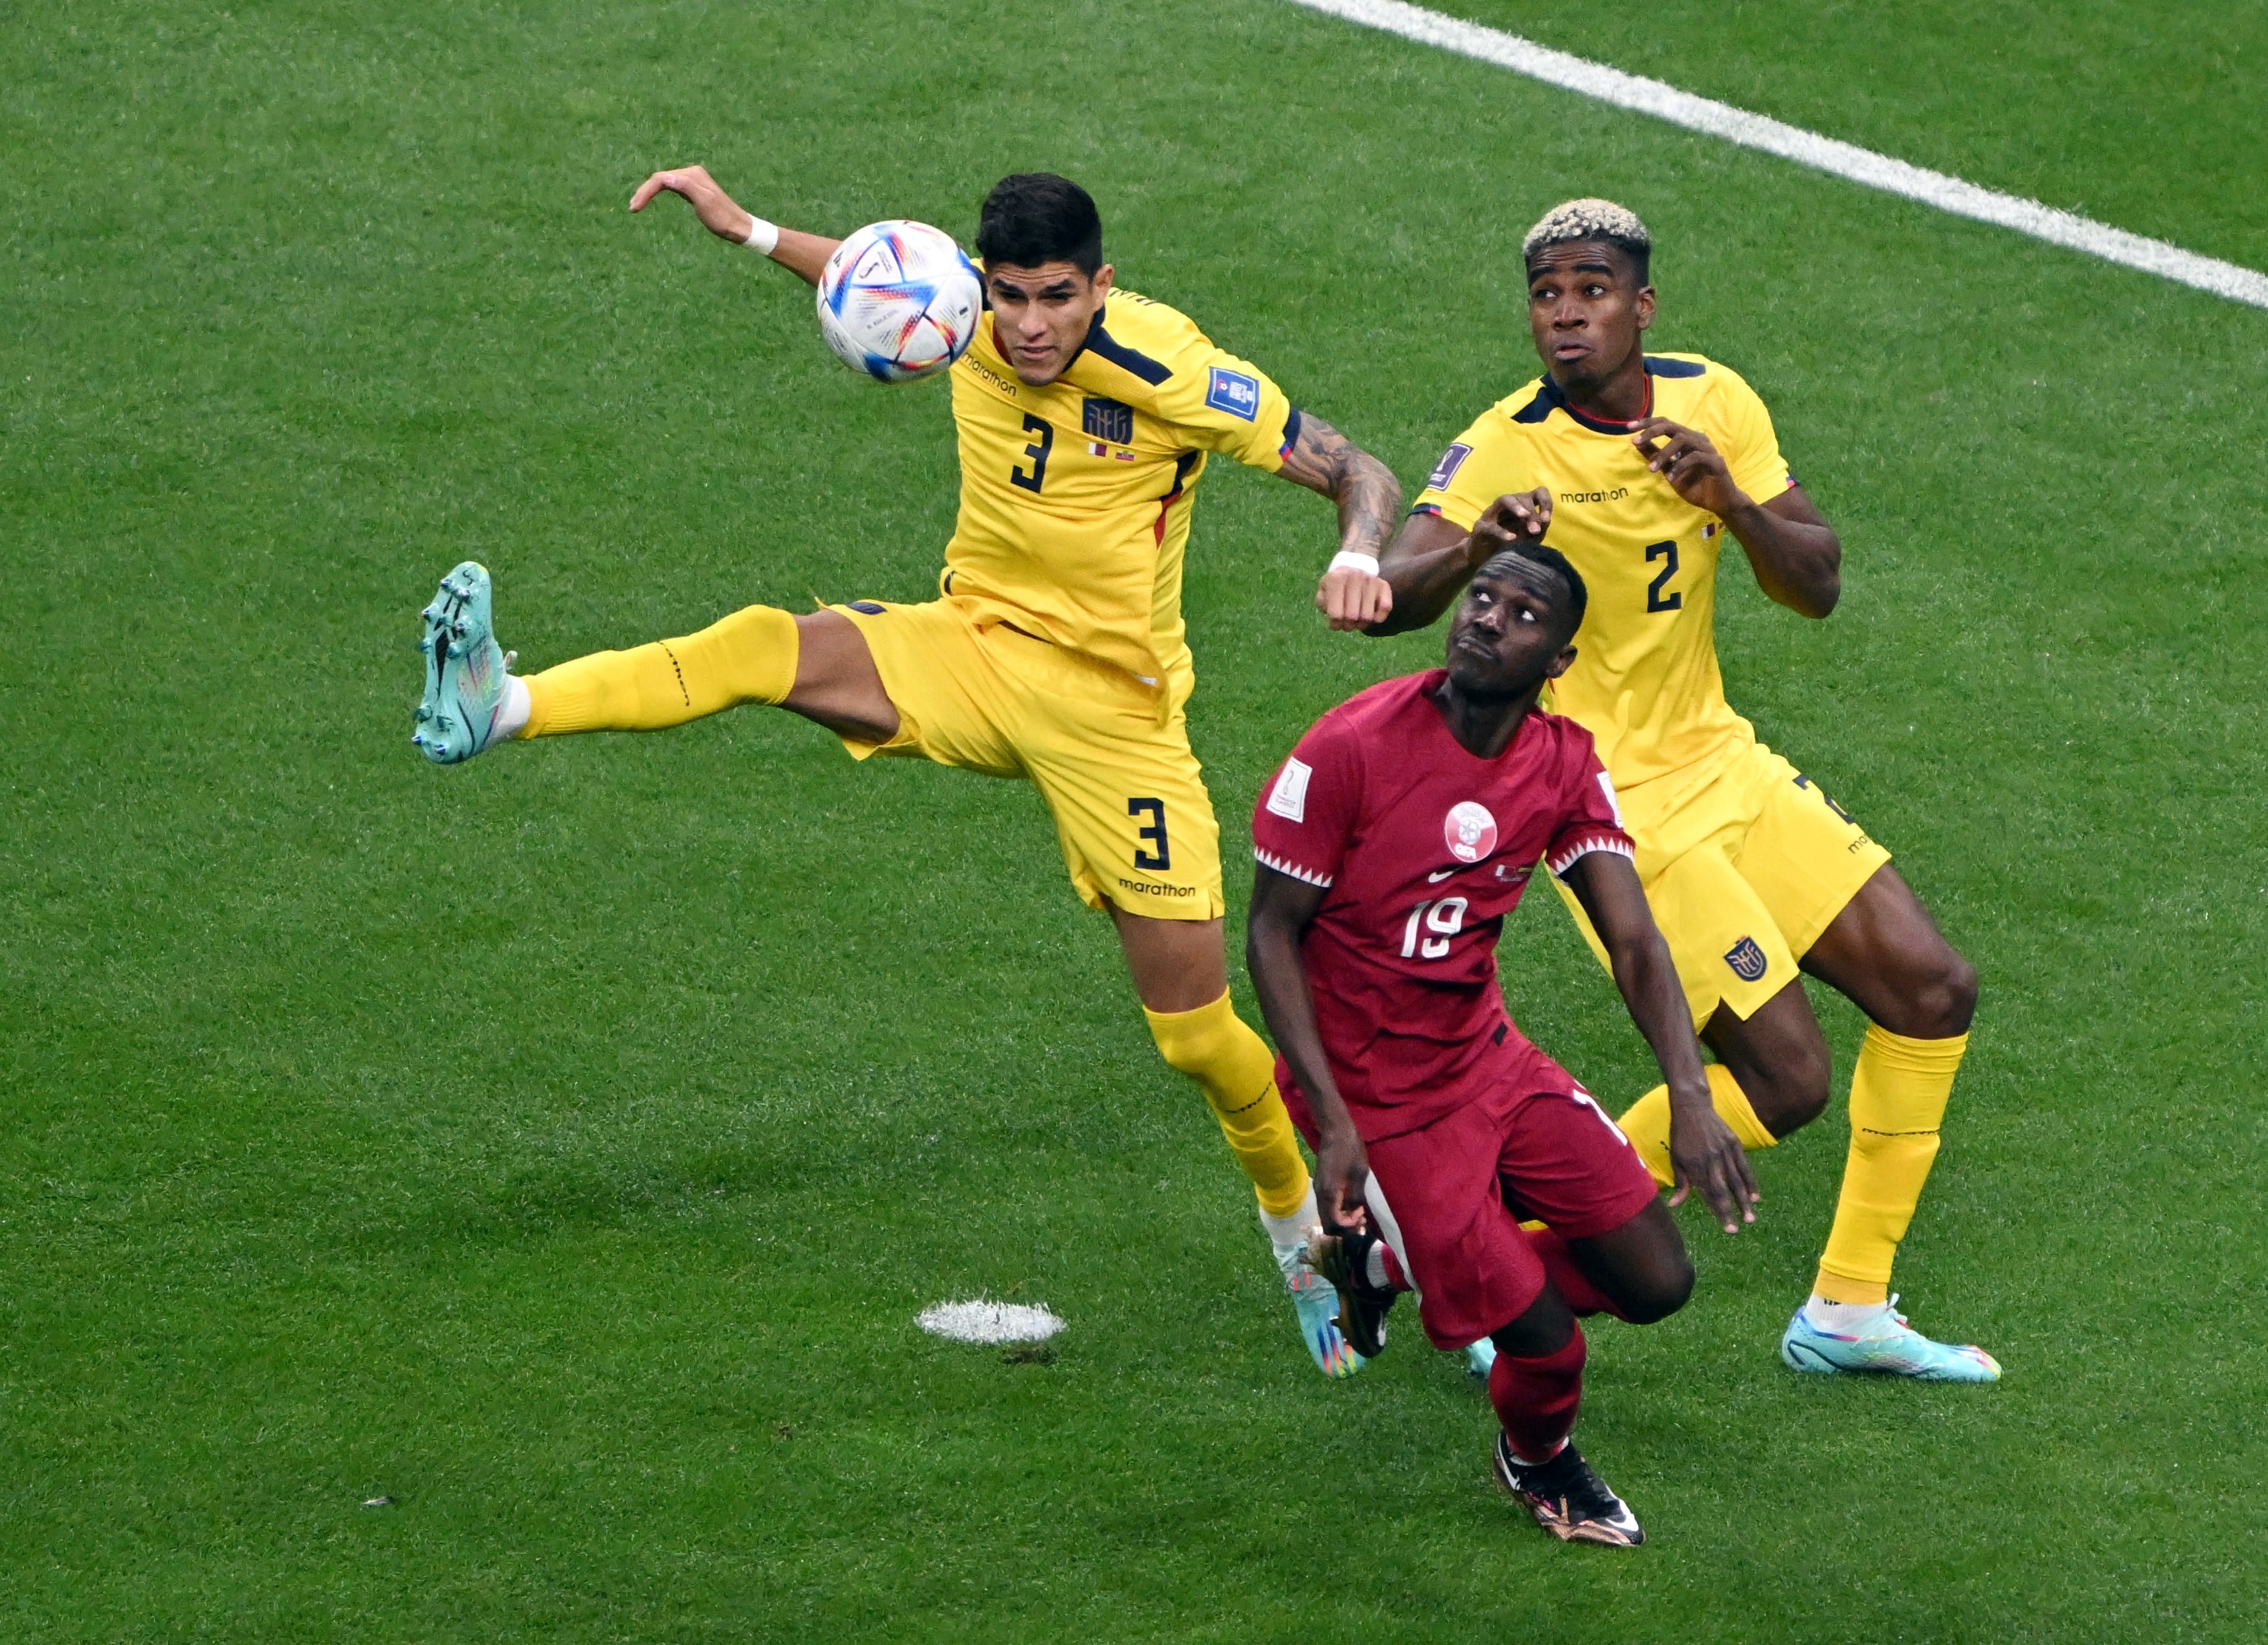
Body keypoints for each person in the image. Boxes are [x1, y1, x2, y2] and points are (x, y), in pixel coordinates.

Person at [409, 167, 1404, 1378]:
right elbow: (881, 279)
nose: (1028, 327)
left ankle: (1304, 1238)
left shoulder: (1169, 368)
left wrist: (1361, 553)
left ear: (1101, 285)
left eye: (1056, 299)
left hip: (1115, 719)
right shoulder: (964, 319)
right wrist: (753, 231)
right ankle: (501, 704)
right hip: (971, 644)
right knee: (758, 646)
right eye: (1008, 299)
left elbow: (1357, 468)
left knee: (1196, 1038)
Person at [1342, 198, 1998, 1380]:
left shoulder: (1715, 401)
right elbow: (1392, 595)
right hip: (1612, 807)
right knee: (1786, 1080)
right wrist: (1477, 546)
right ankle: (1471, 1253)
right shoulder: (1509, 440)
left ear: (1641, 306)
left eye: (1591, 291)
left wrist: (1730, 505)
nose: (1565, 316)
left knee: (1932, 990)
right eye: (1546, 295)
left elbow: (1817, 587)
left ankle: (1846, 1311)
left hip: (1724, 759)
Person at [1246, 545, 1758, 1544]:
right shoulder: (1351, 746)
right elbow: (1270, 933)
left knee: (1657, 1282)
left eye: (1522, 614)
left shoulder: (1561, 763)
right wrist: (1334, 1123)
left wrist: (1689, 1094)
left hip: (1486, 1060)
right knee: (1545, 1344)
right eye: (1482, 597)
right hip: (1372, 1101)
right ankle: (1540, 1465)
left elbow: (1634, 940)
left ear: (1557, 659)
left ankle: (1381, 1270)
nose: (1486, 618)